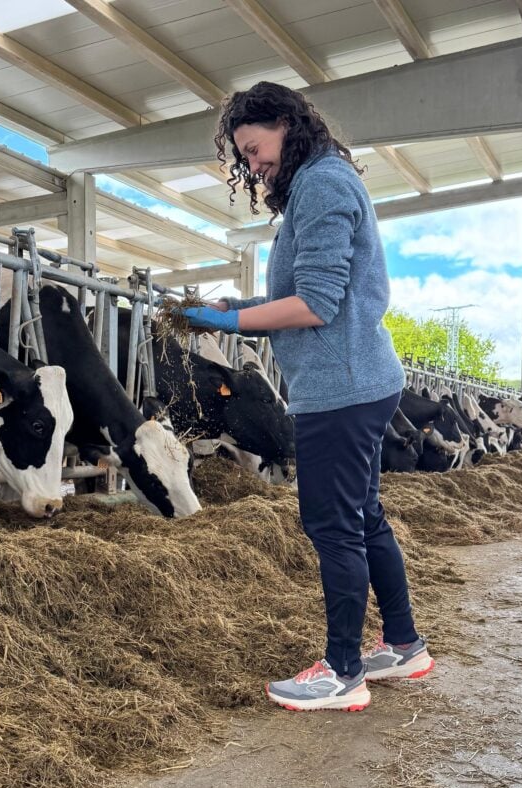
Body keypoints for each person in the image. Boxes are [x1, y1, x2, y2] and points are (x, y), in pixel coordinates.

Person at [172, 81, 434, 712]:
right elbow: (312, 293)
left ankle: (343, 672)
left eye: (256, 149)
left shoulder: (321, 184)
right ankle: (403, 646)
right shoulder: (321, 182)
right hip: (353, 378)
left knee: (331, 523)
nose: (253, 165)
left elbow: (315, 304)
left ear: (288, 125)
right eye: (245, 157)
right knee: (363, 516)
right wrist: (237, 307)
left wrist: (230, 326)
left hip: (338, 387)